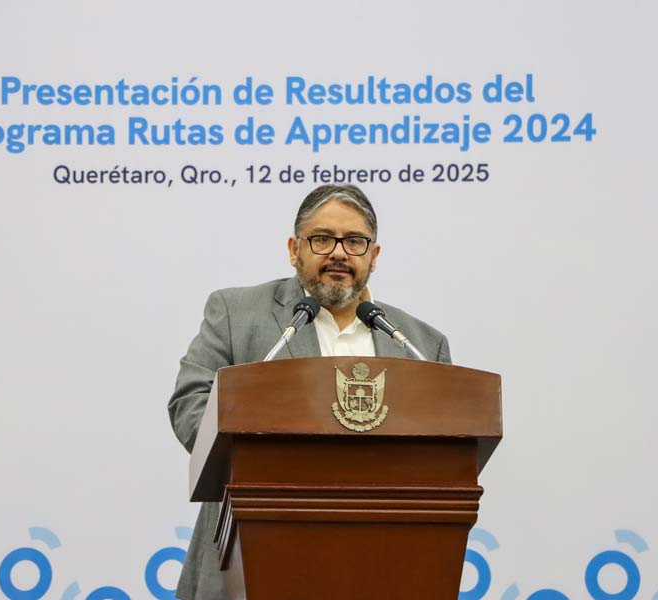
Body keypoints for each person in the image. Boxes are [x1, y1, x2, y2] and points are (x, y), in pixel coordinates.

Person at [168, 184, 452, 600]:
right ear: (294, 249)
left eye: (355, 241)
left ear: (373, 256)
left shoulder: (421, 344)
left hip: (384, 561)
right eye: (322, 239)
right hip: (252, 556)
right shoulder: (236, 313)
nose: (339, 252)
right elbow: (191, 404)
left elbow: (446, 453)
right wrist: (256, 460)